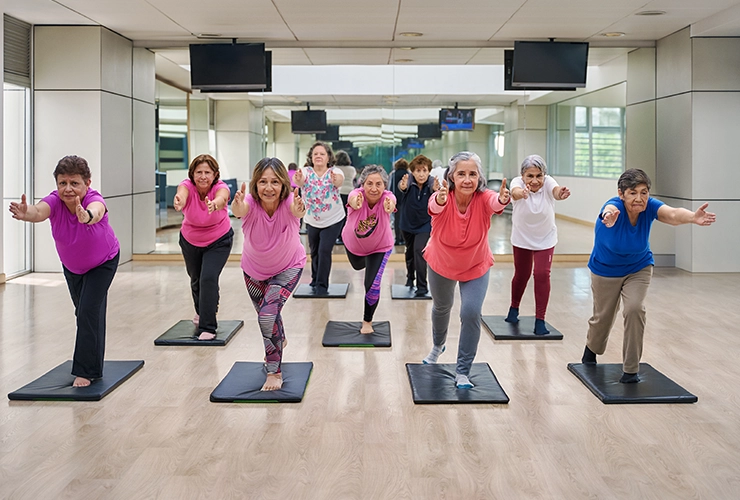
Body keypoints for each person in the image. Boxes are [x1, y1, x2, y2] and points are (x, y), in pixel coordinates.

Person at [581, 168, 716, 383]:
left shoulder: (650, 207)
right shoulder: (614, 207)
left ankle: (631, 370)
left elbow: (672, 214)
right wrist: (608, 216)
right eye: (633, 192)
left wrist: (692, 217)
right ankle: (591, 350)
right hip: (606, 269)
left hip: (638, 266)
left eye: (644, 192)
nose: (639, 198)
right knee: (603, 318)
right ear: (621, 193)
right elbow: (608, 210)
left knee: (635, 309)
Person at [9, 155, 120, 388]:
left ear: (87, 183)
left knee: (88, 311)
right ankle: (94, 365)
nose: (68, 189)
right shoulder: (55, 201)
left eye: (74, 183)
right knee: (86, 312)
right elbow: (38, 212)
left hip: (103, 263)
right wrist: (25, 212)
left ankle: (85, 370)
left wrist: (86, 216)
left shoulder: (93, 199)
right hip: (73, 268)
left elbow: (96, 211)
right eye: (62, 183)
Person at [421, 151, 510, 389]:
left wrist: (502, 199)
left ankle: (462, 371)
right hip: (442, 262)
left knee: (470, 313)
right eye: (461, 174)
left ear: (479, 176)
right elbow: (435, 206)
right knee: (442, 307)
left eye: (472, 174)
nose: (467, 179)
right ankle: (438, 345)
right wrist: (440, 198)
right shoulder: (442, 197)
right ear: (452, 176)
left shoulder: (484, 197)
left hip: (475, 264)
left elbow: (495, 202)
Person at [232, 157, 307, 391]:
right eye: (263, 181)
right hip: (254, 271)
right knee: (270, 317)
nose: (268, 187)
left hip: (289, 266)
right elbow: (239, 209)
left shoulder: (289, 203)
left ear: (284, 184)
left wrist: (299, 207)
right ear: (255, 184)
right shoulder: (249, 202)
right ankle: (279, 339)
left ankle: (274, 371)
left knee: (266, 315)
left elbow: (298, 210)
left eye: (275, 181)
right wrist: (236, 203)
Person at [505, 154, 571, 335]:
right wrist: (523, 193)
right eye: (530, 176)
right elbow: (515, 193)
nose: (535, 180)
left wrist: (561, 193)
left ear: (544, 175)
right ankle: (514, 308)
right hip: (522, 237)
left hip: (546, 238)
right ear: (523, 175)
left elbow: (556, 191)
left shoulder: (548, 181)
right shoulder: (517, 183)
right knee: (521, 275)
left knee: (542, 274)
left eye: (538, 176)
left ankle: (540, 319)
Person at [174, 154, 233, 341]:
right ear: (192, 174)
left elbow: (222, 198)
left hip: (218, 240)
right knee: (196, 278)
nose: (203, 176)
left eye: (207, 172)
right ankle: (202, 311)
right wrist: (179, 201)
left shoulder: (220, 187)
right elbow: (182, 194)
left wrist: (215, 204)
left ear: (215, 174)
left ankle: (208, 326)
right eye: (199, 172)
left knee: (208, 278)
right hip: (190, 240)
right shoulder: (187, 186)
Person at [342, 165, 397, 334]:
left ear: (384, 185)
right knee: (357, 266)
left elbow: (391, 203)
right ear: (362, 184)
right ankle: (369, 264)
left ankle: (367, 321)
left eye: (378, 184)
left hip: (380, 247)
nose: (374, 188)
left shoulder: (387, 197)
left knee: (372, 284)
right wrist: (355, 202)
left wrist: (390, 206)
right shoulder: (356, 194)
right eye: (369, 184)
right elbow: (352, 198)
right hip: (353, 246)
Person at [293, 141, 345, 295]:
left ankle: (322, 286)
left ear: (328, 157)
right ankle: (315, 279)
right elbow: (299, 181)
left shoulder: (335, 171)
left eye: (322, 154)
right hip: (312, 220)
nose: (318, 156)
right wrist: (298, 178)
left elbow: (339, 181)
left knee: (324, 251)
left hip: (333, 219)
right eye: (315, 154)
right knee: (314, 251)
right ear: (311, 157)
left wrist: (335, 180)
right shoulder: (306, 171)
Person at [397, 154, 437, 296]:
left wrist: (437, 190)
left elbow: (436, 191)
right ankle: (410, 277)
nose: (421, 174)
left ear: (429, 171)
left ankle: (422, 286)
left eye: (424, 171)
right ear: (413, 171)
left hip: (424, 224)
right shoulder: (408, 180)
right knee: (410, 252)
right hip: (407, 224)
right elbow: (402, 186)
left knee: (419, 251)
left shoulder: (432, 182)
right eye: (418, 171)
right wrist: (402, 186)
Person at [334, 150, 356, 244]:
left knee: (338, 216)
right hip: (350, 193)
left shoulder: (335, 169)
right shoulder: (352, 169)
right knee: (348, 216)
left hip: (338, 192)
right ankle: (346, 236)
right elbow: (354, 178)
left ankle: (338, 235)